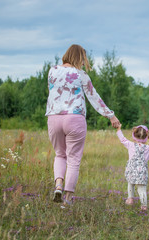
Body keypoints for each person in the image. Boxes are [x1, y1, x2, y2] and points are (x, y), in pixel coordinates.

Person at [46, 44, 120, 206]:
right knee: (73, 160)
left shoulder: (52, 70)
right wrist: (111, 115)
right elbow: (94, 97)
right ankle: (67, 200)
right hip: (74, 118)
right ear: (80, 58)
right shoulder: (81, 75)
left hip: (54, 117)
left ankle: (58, 185)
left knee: (60, 154)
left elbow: (52, 93)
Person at [116, 124, 149, 211]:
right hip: (142, 172)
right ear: (147, 137)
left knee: (130, 183)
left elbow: (122, 139)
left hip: (131, 170)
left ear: (134, 136)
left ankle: (130, 198)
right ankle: (144, 206)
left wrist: (118, 130)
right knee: (142, 189)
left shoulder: (130, 144)